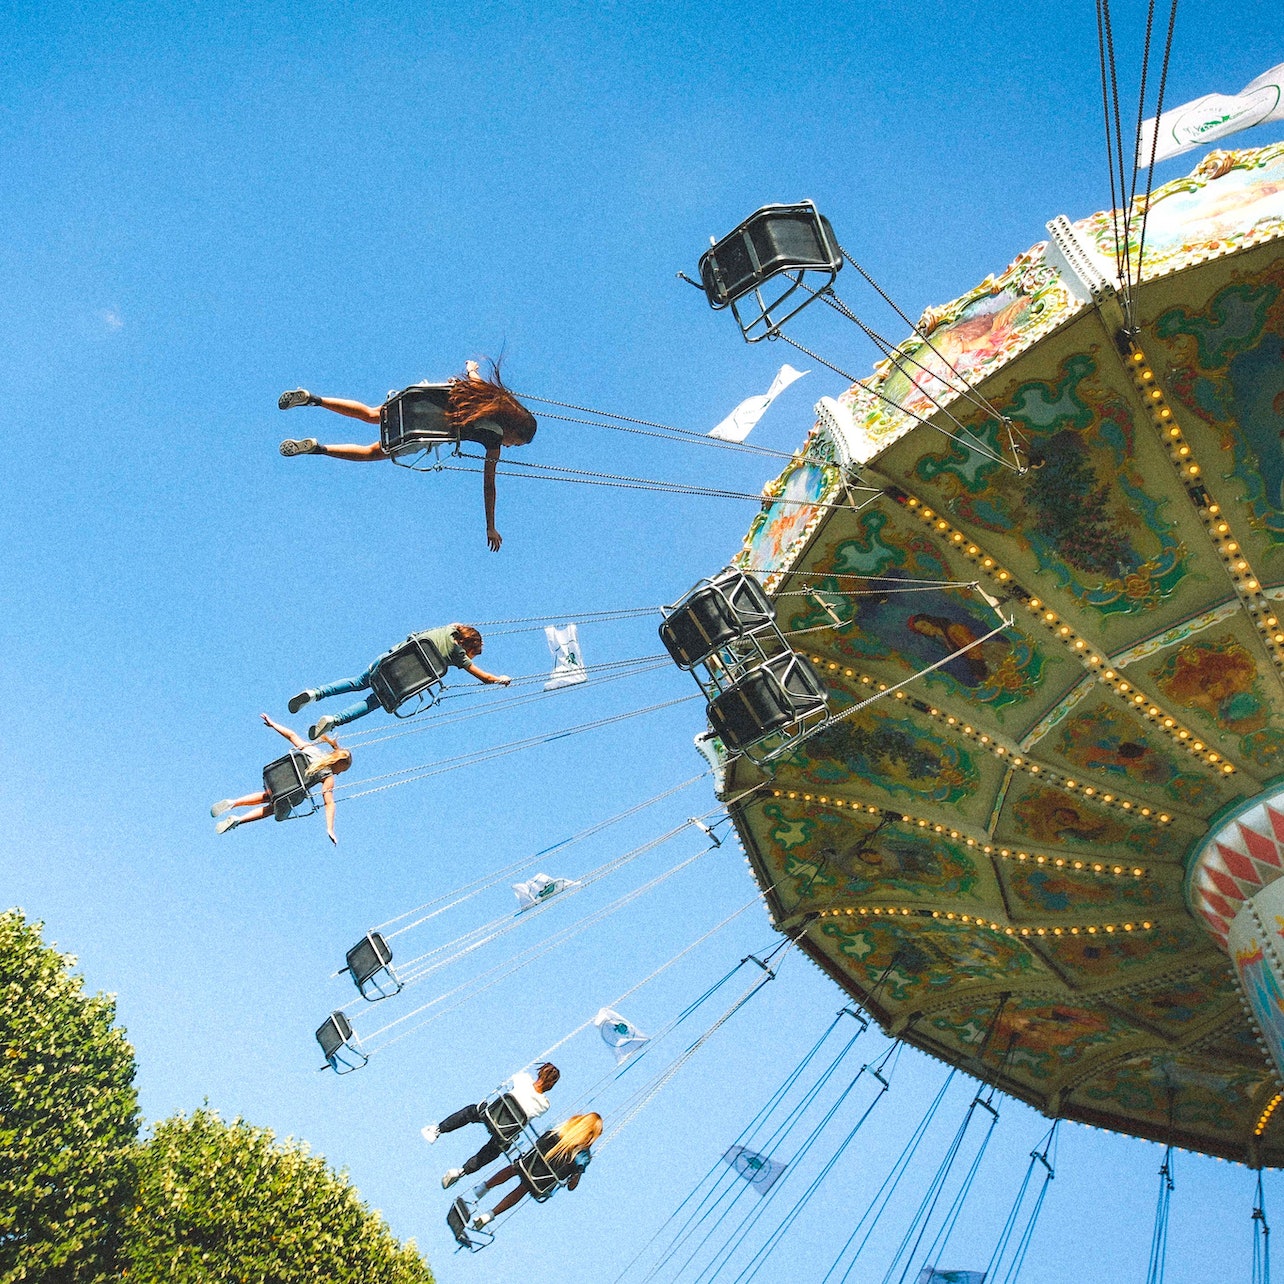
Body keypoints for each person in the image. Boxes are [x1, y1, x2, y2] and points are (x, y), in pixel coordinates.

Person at [277, 359, 537, 550]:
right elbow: (489, 486)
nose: (511, 446)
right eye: (516, 442)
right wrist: (490, 525)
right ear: (513, 429)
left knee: (371, 414)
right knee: (371, 452)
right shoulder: (494, 440)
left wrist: (472, 368)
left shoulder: (488, 398)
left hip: (418, 400)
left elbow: (473, 375)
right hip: (422, 429)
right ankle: (318, 448)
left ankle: (314, 399)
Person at [289, 624, 511, 738]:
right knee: (373, 702)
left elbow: (455, 623)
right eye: (474, 652)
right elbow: (486, 678)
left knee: (357, 682)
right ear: (469, 646)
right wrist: (501, 679)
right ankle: (334, 720)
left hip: (387, 662)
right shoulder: (459, 654)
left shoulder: (446, 630)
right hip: (400, 684)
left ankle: (315, 694)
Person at [210, 714, 351, 845]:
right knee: (273, 807)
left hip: (277, 777)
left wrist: (273, 724)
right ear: (338, 763)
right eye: (342, 770)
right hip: (288, 792)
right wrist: (330, 828)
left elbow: (291, 735)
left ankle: (233, 803)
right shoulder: (328, 777)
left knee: (267, 795)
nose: (339, 774)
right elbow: (329, 803)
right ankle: (239, 820)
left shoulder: (312, 750)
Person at [423, 1062, 561, 1189]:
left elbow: (515, 1078)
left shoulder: (524, 1080)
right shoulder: (545, 1104)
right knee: (494, 1150)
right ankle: (463, 1171)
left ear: (540, 1073)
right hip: (506, 1133)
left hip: (491, 1115)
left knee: (470, 1112)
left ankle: (438, 1130)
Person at [468, 1113, 602, 1230]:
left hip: (528, 1163)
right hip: (540, 1182)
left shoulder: (562, 1129)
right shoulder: (583, 1156)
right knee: (524, 1188)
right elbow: (571, 1186)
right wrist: (578, 1172)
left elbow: (540, 1141)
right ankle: (490, 1215)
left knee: (514, 1169)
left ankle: (484, 1188)